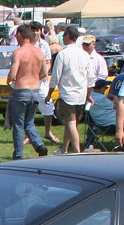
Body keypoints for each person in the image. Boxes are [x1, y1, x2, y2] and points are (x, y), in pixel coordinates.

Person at [46, 26, 92, 154]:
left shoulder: (63, 54)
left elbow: (55, 76)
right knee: (71, 122)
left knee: (71, 123)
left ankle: (77, 152)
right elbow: (91, 77)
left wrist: (49, 94)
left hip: (68, 94)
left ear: (67, 36)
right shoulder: (84, 54)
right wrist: (89, 94)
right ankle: (64, 150)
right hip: (81, 94)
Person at [6, 24, 49, 159]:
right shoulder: (39, 52)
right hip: (35, 90)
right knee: (29, 122)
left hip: (21, 90)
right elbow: (44, 73)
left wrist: (10, 81)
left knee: (18, 124)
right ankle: (39, 145)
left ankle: (18, 154)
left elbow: (13, 74)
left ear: (19, 35)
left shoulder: (18, 53)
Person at [30, 22, 59, 144]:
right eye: (33, 30)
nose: (36, 32)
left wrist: (43, 72)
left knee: (48, 105)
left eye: (37, 30)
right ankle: (29, 135)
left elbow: (48, 62)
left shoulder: (45, 45)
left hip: (41, 81)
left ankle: (48, 132)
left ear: (41, 31)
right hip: (29, 80)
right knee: (28, 107)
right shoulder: (26, 45)